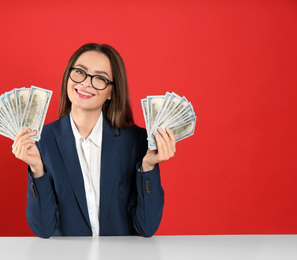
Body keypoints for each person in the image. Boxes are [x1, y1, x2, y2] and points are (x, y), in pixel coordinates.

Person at [11, 43, 176, 238]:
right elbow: (44, 230)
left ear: (112, 92)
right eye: (80, 72)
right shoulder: (42, 140)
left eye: (100, 78)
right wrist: (37, 169)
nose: (85, 83)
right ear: (68, 77)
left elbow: (146, 227)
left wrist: (148, 167)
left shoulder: (136, 141)